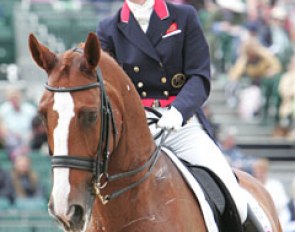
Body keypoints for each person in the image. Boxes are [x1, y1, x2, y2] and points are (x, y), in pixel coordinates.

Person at [96, 1, 264, 230]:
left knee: (232, 192)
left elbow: (200, 76)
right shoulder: (109, 28)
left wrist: (178, 111)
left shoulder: (183, 16)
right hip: (136, 127)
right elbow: (108, 88)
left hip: (181, 123)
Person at [0, 87, 37, 160]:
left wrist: (29, 136)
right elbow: (2, 129)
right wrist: (12, 134)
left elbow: (36, 127)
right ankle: (17, 154)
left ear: (20, 97)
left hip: (29, 140)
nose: (14, 100)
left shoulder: (30, 109)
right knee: (10, 139)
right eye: (11, 98)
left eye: (16, 97)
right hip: (11, 140)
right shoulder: (3, 109)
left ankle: (21, 152)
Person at [252, 158, 290, 227]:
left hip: (278, 218)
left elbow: (281, 205)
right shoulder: (251, 186)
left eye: (261, 172)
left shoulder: (276, 185)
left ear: (266, 171)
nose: (259, 174)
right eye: (256, 171)